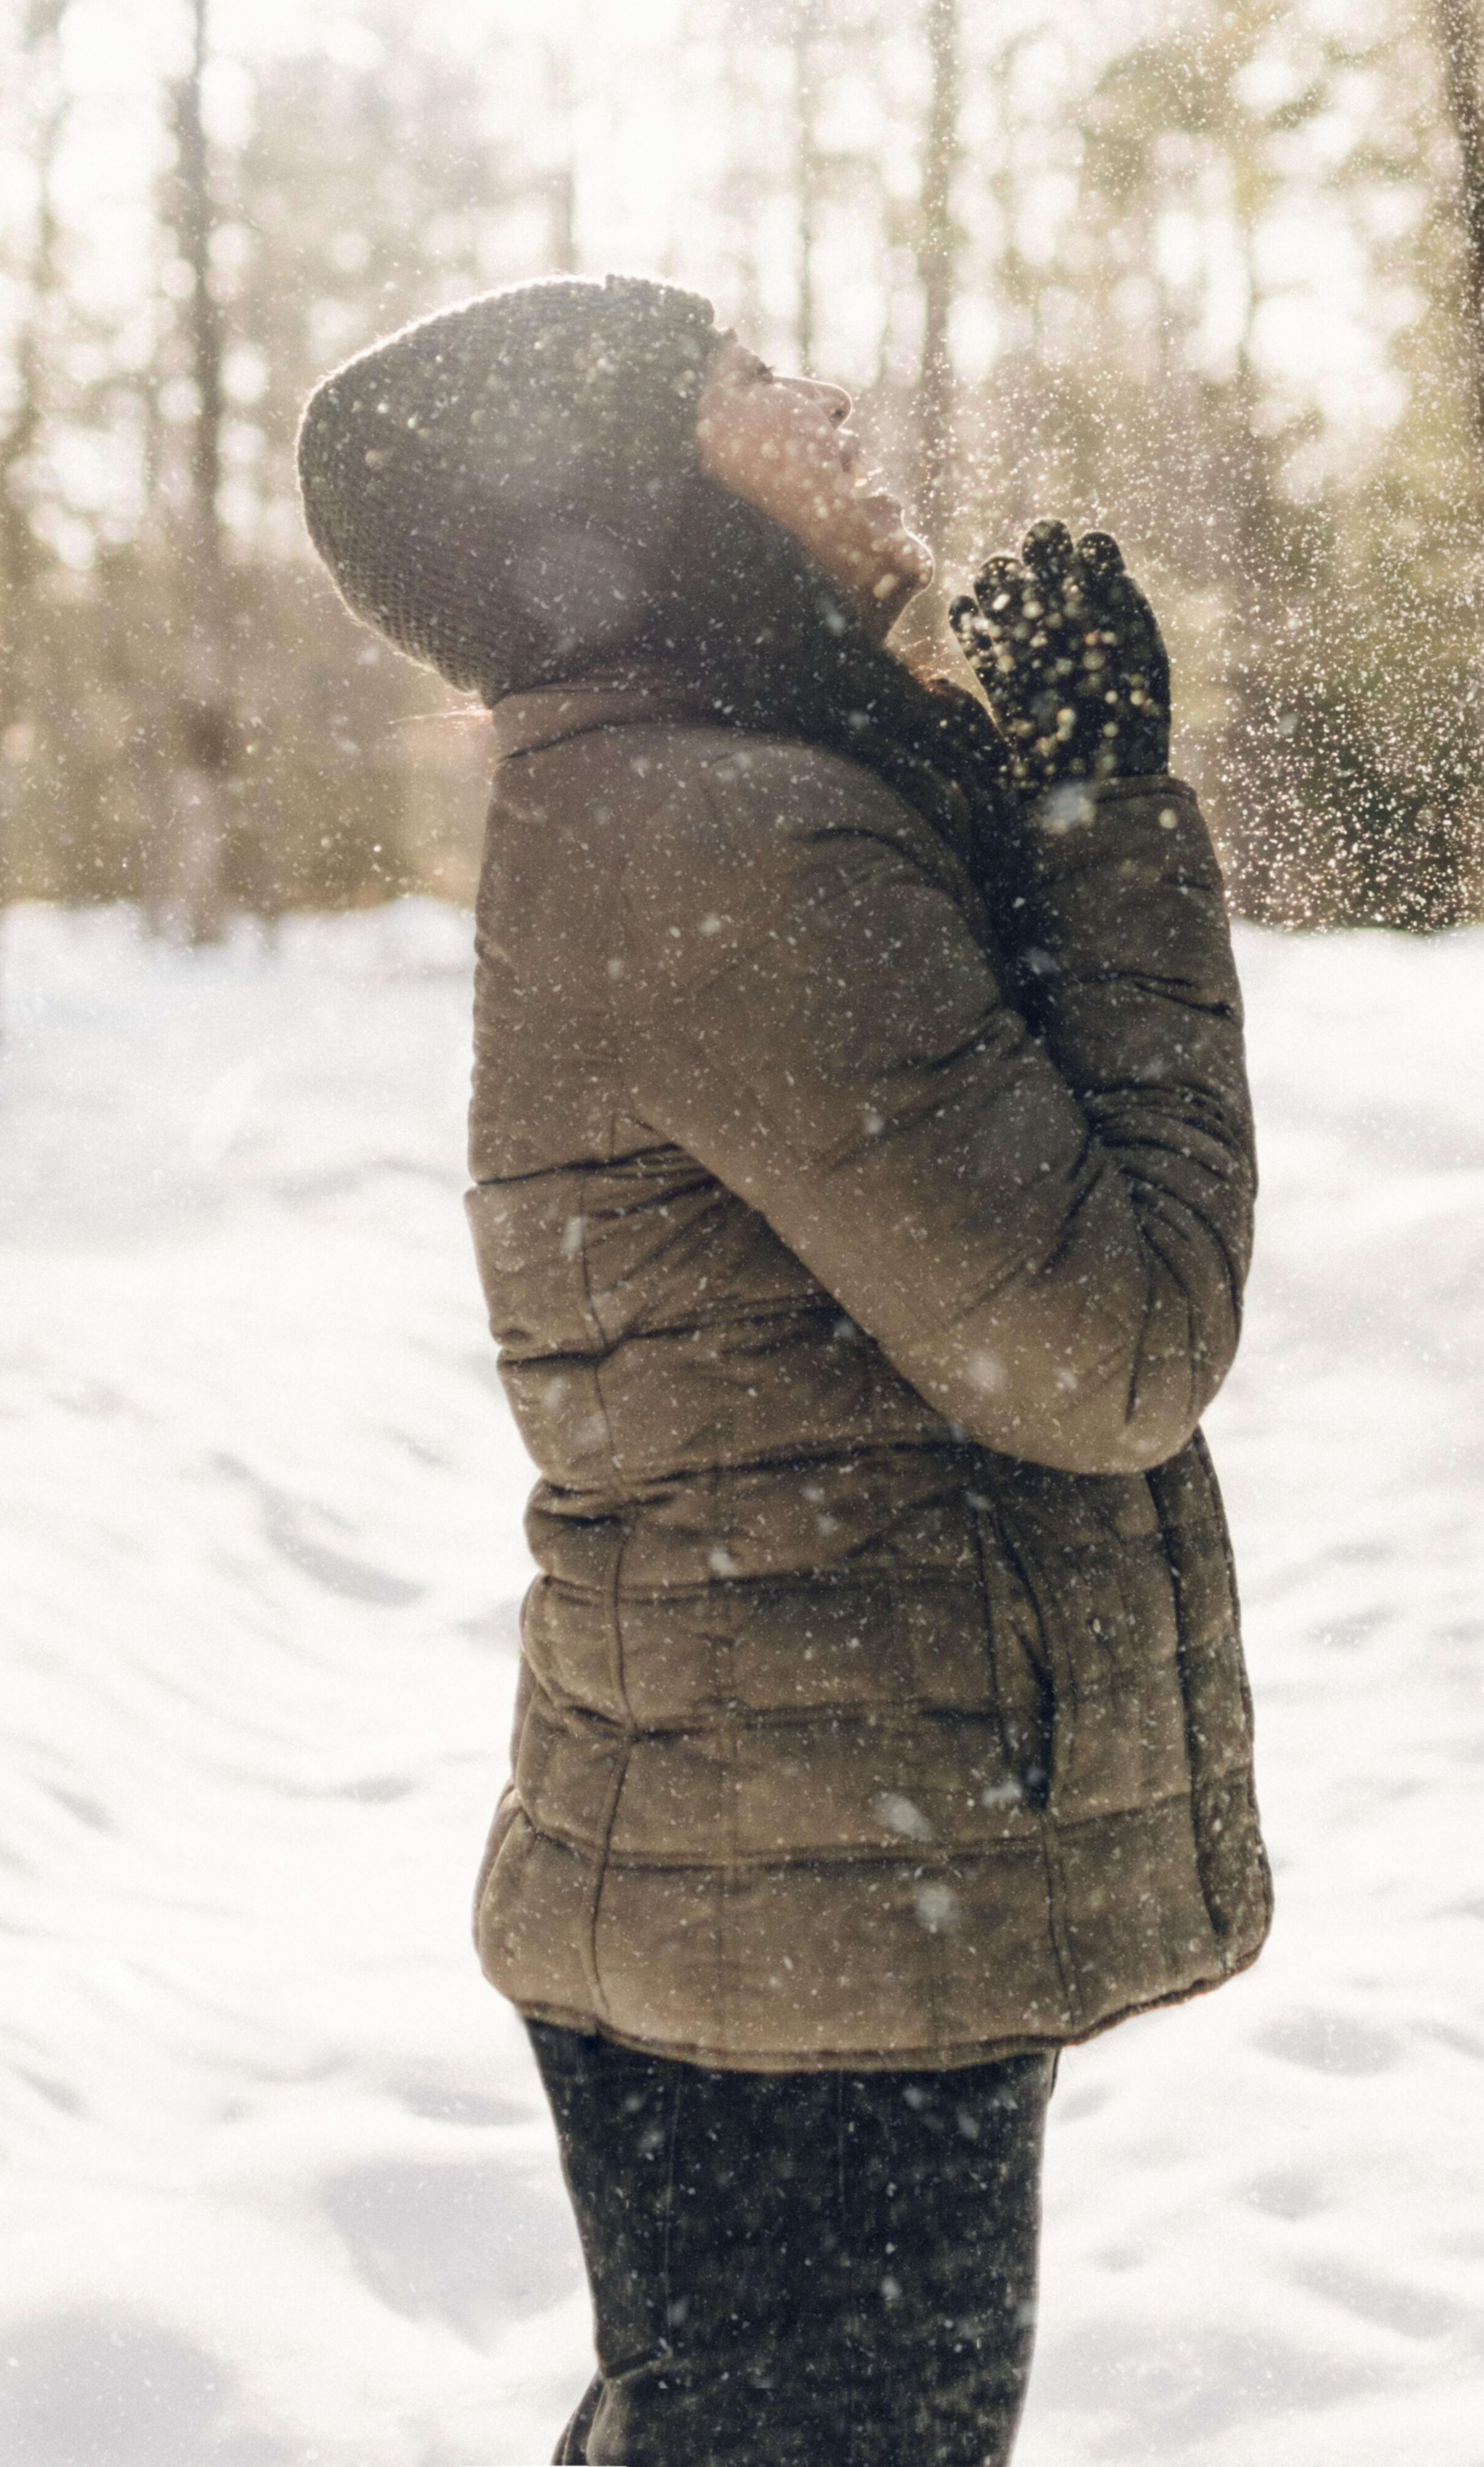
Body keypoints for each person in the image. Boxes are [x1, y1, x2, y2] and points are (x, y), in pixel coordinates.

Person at [296, 273, 1268, 2467]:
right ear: (639, 498)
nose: (822, 397)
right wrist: (1112, 822)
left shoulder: (703, 794)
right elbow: (1115, 1338)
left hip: (790, 1879)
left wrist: (1035, 794)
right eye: (741, 381)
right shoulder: (727, 833)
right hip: (812, 1912)